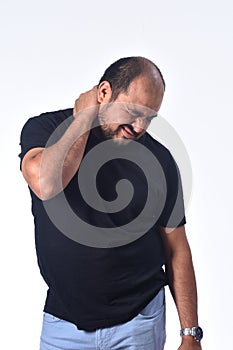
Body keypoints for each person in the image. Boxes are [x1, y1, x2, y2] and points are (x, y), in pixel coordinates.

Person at [19, 56, 203, 350]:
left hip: (138, 323)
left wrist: (190, 333)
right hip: (62, 324)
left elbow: (176, 248)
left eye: (149, 118)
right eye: (133, 112)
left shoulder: (159, 160)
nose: (140, 127)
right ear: (104, 93)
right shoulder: (47, 128)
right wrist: (84, 118)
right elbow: (46, 184)